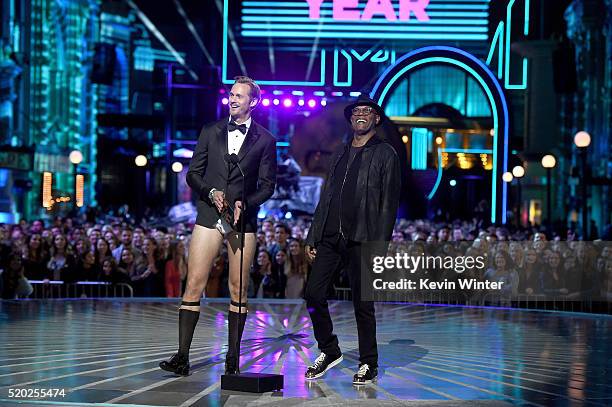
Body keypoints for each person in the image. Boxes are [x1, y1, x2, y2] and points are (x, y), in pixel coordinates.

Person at [160, 76, 277, 376]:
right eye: (231, 94)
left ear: (254, 102)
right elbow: (193, 174)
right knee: (194, 283)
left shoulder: (265, 140)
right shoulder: (210, 131)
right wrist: (210, 192)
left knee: (238, 288)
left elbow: (267, 186)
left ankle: (233, 358)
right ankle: (182, 356)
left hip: (242, 220)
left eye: (240, 95)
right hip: (209, 216)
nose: (233, 99)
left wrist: (245, 203)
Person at [304, 96, 401, 385]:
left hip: (363, 238)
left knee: (363, 304)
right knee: (313, 295)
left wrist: (379, 246)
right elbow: (327, 196)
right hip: (331, 236)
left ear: (376, 119)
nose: (361, 115)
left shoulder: (386, 154)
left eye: (367, 111)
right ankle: (329, 350)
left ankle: (368, 363)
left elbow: (388, 204)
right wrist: (313, 234)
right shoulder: (340, 153)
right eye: (356, 111)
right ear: (351, 119)